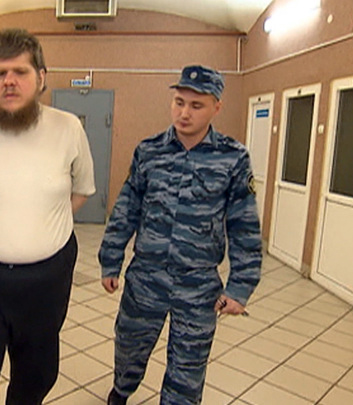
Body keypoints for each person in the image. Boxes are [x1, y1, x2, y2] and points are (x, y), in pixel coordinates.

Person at [0, 28, 96, 405]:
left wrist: (41, 223)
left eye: (20, 72)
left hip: (45, 283)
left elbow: (80, 191)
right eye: (0, 73)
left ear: (41, 77)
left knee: (35, 378)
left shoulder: (68, 128)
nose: (9, 81)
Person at [99, 65, 262, 405]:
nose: (184, 113)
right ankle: (122, 390)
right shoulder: (149, 150)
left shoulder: (233, 157)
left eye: (196, 105)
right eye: (179, 102)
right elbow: (126, 208)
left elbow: (244, 225)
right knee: (129, 346)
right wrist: (111, 260)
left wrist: (240, 287)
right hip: (146, 276)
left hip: (198, 283)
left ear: (216, 107)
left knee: (188, 367)